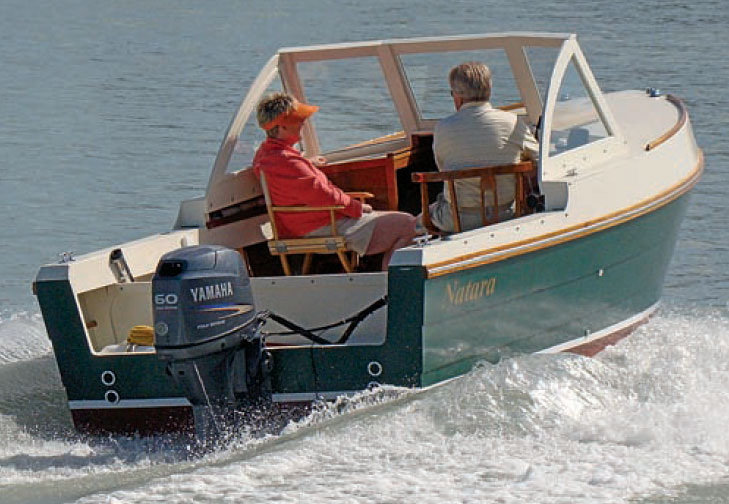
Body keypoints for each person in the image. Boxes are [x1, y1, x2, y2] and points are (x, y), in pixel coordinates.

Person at [252, 92, 416, 271]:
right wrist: (356, 207)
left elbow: (294, 179)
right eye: (298, 120)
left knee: (402, 221)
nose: (303, 123)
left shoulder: (268, 155)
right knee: (408, 225)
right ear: (282, 126)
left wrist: (308, 163)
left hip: (309, 223)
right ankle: (391, 286)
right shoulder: (287, 162)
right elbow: (322, 195)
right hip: (320, 226)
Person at [421, 61, 539, 233]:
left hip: (457, 220)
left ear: (457, 96)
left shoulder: (443, 128)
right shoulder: (513, 123)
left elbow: (443, 168)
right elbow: (540, 161)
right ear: (489, 91)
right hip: (508, 215)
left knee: (410, 225)